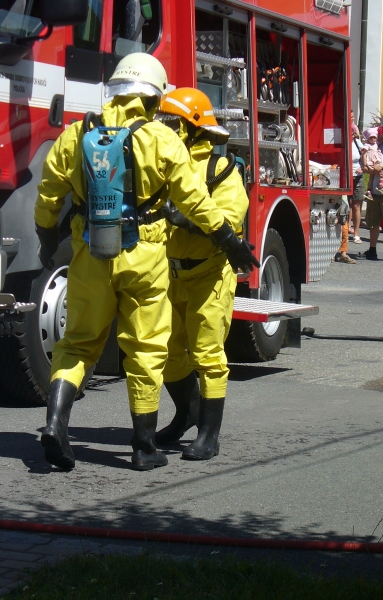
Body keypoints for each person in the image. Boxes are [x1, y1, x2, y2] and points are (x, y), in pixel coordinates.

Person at [34, 53, 259, 472]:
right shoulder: (160, 139)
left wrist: (47, 241)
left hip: (90, 254)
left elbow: (48, 196)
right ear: (153, 98)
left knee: (77, 343)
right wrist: (229, 240)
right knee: (147, 348)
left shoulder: (75, 134)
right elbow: (196, 202)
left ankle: (55, 423)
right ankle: (143, 447)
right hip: (146, 258)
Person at [154, 88, 250, 459]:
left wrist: (184, 219)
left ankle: (210, 434)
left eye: (172, 122)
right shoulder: (160, 164)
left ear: (193, 128)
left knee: (208, 354)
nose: (164, 128)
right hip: (169, 275)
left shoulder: (220, 170)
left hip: (210, 275)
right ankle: (188, 412)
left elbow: (229, 219)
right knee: (165, 350)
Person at [359, 126, 383, 260]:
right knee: (373, 221)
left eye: (379, 135)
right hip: (374, 191)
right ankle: (372, 250)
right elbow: (369, 167)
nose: (378, 137)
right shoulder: (375, 147)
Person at [348, 110, 364, 244]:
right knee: (346, 205)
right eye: (350, 132)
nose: (352, 135)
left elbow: (364, 158)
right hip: (346, 177)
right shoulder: (343, 144)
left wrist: (362, 167)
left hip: (358, 176)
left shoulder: (357, 143)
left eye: (353, 133)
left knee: (357, 205)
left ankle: (356, 234)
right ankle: (346, 230)